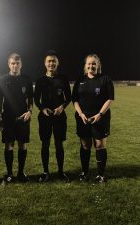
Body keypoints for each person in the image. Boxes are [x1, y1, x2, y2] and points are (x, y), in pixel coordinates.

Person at [72, 54, 114, 183]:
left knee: (99, 145)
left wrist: (100, 114)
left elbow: (110, 99)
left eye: (94, 63)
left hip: (101, 118)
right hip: (83, 118)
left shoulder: (105, 79)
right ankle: (84, 172)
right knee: (85, 145)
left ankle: (100, 174)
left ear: (98, 65)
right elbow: (75, 100)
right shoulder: (80, 80)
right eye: (89, 64)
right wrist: (81, 114)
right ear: (85, 66)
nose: (91, 66)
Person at [34, 50, 71, 182]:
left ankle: (61, 172)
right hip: (45, 117)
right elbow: (36, 99)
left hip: (59, 117)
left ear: (57, 63)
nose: (51, 63)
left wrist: (62, 107)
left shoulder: (63, 79)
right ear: (45, 63)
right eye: (49, 61)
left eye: (53, 61)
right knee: (45, 144)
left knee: (59, 144)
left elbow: (69, 97)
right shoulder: (40, 80)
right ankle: (45, 172)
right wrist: (42, 108)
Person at [0, 53, 33, 184]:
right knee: (9, 145)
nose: (15, 66)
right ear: (9, 64)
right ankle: (9, 173)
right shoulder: (2, 79)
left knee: (22, 145)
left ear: (21, 64)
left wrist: (30, 111)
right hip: (8, 118)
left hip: (23, 117)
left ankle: (21, 172)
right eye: (12, 63)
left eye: (17, 63)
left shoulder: (27, 79)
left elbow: (30, 99)